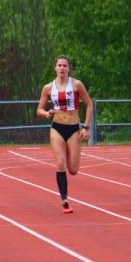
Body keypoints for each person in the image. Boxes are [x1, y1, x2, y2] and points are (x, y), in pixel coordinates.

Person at [36, 55, 94, 213]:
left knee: (73, 169)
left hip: (74, 128)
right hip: (57, 128)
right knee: (61, 163)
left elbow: (89, 105)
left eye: (65, 66)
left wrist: (86, 127)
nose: (62, 68)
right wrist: (46, 113)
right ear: (54, 67)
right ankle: (65, 201)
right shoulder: (49, 87)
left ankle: (69, 154)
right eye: (59, 65)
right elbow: (39, 109)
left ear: (69, 68)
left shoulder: (76, 84)